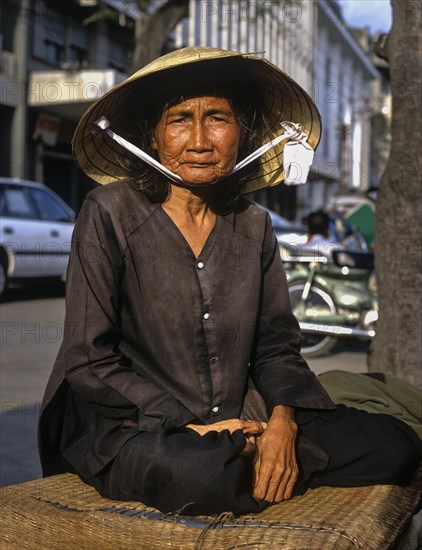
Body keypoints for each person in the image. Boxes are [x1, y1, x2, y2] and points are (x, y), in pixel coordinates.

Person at [38, 47, 421, 517]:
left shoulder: (254, 225)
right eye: (179, 119)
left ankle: (250, 457)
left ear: (244, 133)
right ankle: (239, 462)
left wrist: (282, 423)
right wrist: (186, 427)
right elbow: (90, 359)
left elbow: (276, 346)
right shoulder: (108, 213)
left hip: (247, 418)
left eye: (217, 118)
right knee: (200, 475)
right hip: (137, 426)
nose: (199, 140)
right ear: (153, 137)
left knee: (395, 446)